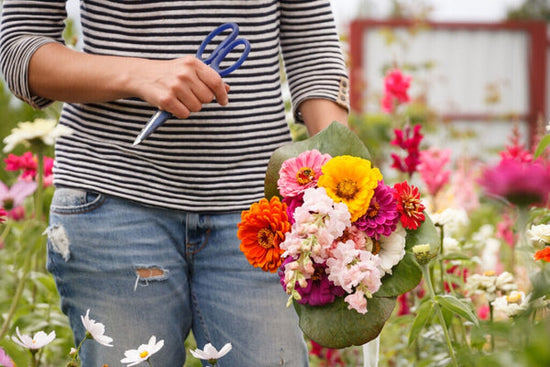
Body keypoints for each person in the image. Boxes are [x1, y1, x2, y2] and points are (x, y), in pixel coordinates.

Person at [0, 1, 350, 366]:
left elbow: (311, 42)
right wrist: (139, 75)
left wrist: (345, 182)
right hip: (113, 204)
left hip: (260, 217)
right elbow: (19, 50)